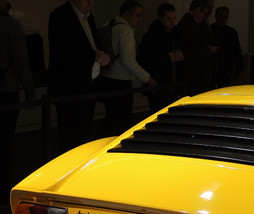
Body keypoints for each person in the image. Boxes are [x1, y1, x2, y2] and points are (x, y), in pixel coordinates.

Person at [48, 0, 110, 155]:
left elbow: (93, 43)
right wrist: (93, 56)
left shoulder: (89, 17)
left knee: (84, 135)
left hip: (88, 85)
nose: (90, 2)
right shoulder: (60, 15)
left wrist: (101, 55)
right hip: (69, 88)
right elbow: (62, 51)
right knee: (70, 138)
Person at [98, 0, 156, 137]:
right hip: (121, 82)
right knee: (123, 121)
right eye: (137, 15)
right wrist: (148, 78)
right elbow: (129, 61)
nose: (139, 20)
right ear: (126, 14)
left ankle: (99, 143)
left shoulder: (109, 25)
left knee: (111, 117)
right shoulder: (126, 31)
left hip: (106, 77)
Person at [0, 0, 34, 202]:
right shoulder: (9, 25)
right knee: (4, 144)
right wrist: (30, 92)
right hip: (6, 92)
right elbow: (21, 61)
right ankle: (4, 190)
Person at [138, 3, 183, 112]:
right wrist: (168, 58)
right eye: (169, 18)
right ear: (160, 18)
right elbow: (144, 61)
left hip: (173, 84)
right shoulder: (150, 37)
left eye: (174, 18)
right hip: (158, 85)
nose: (172, 22)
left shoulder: (176, 34)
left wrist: (181, 55)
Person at [176, 0, 219, 96]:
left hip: (195, 72)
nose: (204, 17)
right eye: (204, 14)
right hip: (194, 73)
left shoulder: (191, 23)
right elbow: (195, 48)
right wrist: (208, 50)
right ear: (198, 10)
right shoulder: (190, 24)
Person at [210, 6, 242, 88]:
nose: (223, 19)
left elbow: (237, 51)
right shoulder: (210, 30)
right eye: (220, 16)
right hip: (213, 68)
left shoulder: (231, 32)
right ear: (216, 17)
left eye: (225, 17)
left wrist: (238, 68)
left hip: (226, 68)